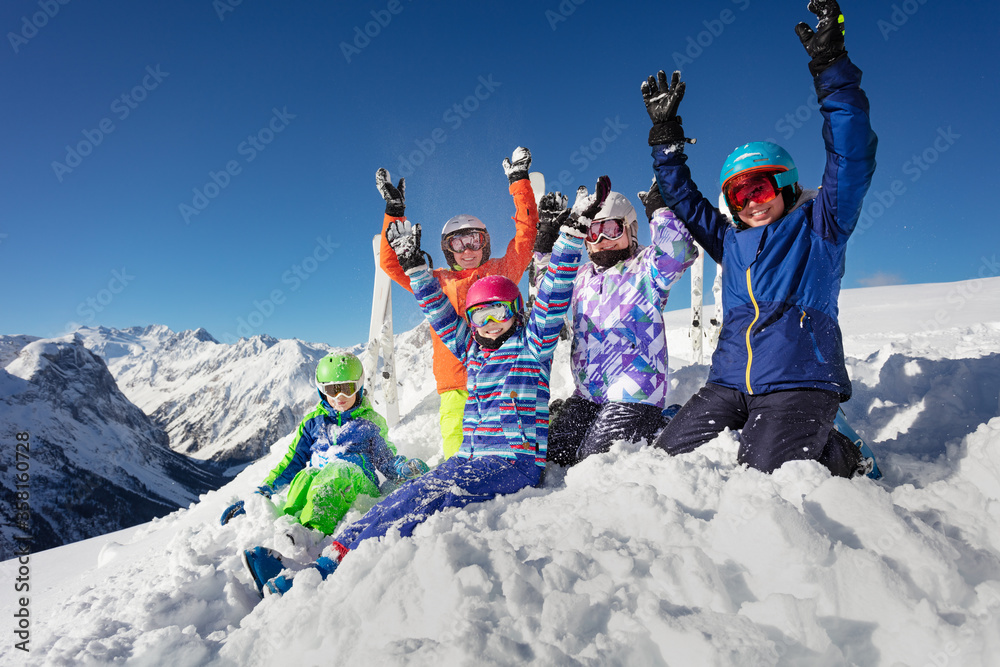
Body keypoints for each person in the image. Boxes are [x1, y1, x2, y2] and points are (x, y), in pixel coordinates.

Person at [243, 178, 610, 597]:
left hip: (513, 465)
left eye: (500, 315)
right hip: (470, 459)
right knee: (406, 495)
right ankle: (327, 556)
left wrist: (572, 232)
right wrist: (416, 266)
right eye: (480, 318)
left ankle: (326, 575)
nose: (490, 326)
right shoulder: (473, 352)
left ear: (518, 314)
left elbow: (554, 293)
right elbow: (438, 312)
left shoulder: (531, 348)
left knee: (426, 501)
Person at [642, 0, 876, 478]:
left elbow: (851, 155)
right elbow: (684, 201)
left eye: (760, 187)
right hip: (729, 381)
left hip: (800, 378)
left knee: (765, 476)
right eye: (737, 193)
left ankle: (842, 450)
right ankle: (773, 428)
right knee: (661, 464)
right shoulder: (730, 242)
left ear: (786, 186)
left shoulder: (821, 226)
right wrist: (665, 138)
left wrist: (831, 68)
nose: (750, 202)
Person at [375, 147, 538, 461]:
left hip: (501, 376)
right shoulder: (436, 280)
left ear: (485, 243)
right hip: (456, 386)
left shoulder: (502, 272)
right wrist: (394, 213)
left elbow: (527, 236)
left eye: (474, 241)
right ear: (447, 249)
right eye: (457, 243)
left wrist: (519, 182)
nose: (467, 250)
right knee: (458, 453)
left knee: (507, 447)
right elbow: (392, 264)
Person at [533, 181, 698, 466]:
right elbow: (546, 289)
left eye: (610, 229)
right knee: (553, 456)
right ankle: (590, 421)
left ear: (631, 228)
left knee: (596, 462)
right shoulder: (581, 276)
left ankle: (664, 420)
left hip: (635, 391)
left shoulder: (647, 267)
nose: (601, 239)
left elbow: (678, 252)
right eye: (592, 232)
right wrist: (547, 240)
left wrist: (660, 210)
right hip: (587, 393)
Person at [220, 353, 429, 536]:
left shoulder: (370, 423)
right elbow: (293, 462)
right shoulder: (313, 423)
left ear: (359, 386)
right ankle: (287, 527)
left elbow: (385, 460)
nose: (340, 397)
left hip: (359, 489)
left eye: (347, 389)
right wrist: (262, 494)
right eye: (332, 390)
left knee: (338, 469)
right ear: (322, 391)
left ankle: (312, 533)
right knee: (305, 476)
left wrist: (402, 468)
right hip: (322, 486)